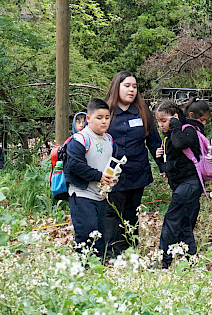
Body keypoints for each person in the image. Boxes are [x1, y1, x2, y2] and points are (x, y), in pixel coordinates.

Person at [104, 72, 163, 257]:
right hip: (111, 172)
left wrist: (164, 168)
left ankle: (130, 250)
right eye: (127, 86)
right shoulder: (106, 110)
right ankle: (113, 252)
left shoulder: (142, 111)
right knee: (113, 212)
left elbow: (154, 142)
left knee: (131, 212)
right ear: (117, 87)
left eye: (134, 87)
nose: (131, 90)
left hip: (137, 172)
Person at [63, 98, 116, 258]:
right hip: (81, 194)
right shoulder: (80, 139)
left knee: (101, 236)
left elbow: (110, 163)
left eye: (107, 117)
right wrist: (99, 176)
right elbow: (74, 165)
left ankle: (98, 266)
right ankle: (82, 266)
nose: (104, 121)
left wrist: (113, 177)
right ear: (88, 118)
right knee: (86, 233)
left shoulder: (109, 139)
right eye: (99, 118)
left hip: (101, 196)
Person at [155, 100, 204, 268]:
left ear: (175, 117)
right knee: (184, 225)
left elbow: (180, 143)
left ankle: (163, 261)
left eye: (164, 120)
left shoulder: (188, 130)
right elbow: (171, 163)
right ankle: (192, 260)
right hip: (180, 185)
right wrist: (160, 158)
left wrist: (175, 124)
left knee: (171, 220)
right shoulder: (170, 136)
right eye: (159, 121)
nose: (161, 125)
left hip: (190, 184)